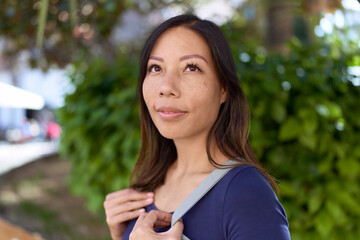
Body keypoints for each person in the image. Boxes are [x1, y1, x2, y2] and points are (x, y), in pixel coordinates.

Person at [104, 14, 291, 240]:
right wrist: (120, 235)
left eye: (191, 67)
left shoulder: (246, 194)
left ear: (223, 89)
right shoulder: (148, 186)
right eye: (155, 68)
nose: (166, 87)